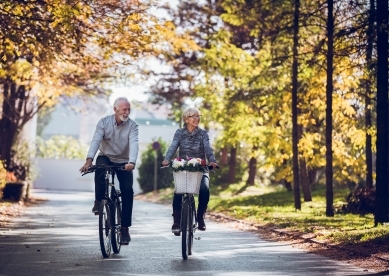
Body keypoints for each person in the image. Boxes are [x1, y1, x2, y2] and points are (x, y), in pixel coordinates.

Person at [79, 97, 139, 244]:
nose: (127, 112)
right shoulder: (104, 123)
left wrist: (131, 161)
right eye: (124, 109)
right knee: (100, 169)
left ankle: (124, 228)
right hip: (106, 156)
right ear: (115, 110)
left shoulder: (133, 126)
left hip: (124, 161)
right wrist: (89, 160)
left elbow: (134, 143)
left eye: (128, 109)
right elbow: (96, 140)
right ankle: (99, 200)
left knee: (127, 191)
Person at [162, 107, 217, 235]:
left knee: (205, 189)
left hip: (200, 167)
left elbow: (208, 148)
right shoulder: (179, 133)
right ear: (186, 119)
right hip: (184, 167)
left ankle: (200, 217)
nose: (197, 118)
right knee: (179, 191)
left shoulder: (203, 133)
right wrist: (167, 159)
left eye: (198, 116)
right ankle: (176, 222)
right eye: (193, 116)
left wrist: (212, 161)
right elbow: (173, 146)